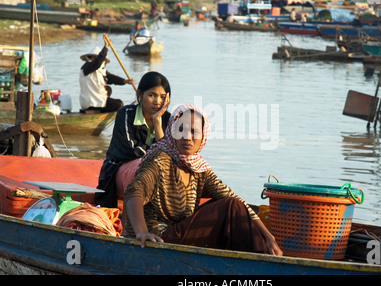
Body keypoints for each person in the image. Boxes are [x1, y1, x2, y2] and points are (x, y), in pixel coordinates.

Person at [122, 104, 283, 256]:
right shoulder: (161, 160)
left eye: (194, 132)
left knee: (233, 206)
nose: (187, 137)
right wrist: (141, 232)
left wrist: (268, 237)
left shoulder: (198, 168)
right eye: (181, 130)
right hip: (159, 238)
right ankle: (262, 261)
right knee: (230, 207)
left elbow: (233, 198)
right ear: (172, 132)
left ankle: (261, 256)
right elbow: (133, 192)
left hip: (179, 233)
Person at [95, 71, 171, 208]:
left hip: (155, 174)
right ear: (140, 94)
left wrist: (157, 122)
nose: (157, 102)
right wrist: (158, 155)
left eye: (162, 97)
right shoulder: (126, 114)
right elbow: (130, 150)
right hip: (118, 171)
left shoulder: (167, 119)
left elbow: (169, 155)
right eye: (152, 95)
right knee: (144, 165)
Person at [79, 33, 135, 113]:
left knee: (108, 89)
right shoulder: (87, 67)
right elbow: (98, 62)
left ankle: (100, 108)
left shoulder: (100, 71)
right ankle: (97, 109)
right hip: (90, 101)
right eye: (94, 57)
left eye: (96, 57)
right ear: (90, 58)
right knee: (119, 104)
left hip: (97, 98)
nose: (95, 59)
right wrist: (106, 47)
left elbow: (111, 78)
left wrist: (126, 81)